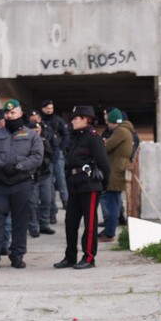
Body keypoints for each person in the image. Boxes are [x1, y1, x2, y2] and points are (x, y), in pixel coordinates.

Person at [0, 99, 44, 270]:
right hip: (0, 184)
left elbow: (37, 156)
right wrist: (1, 166)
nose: (9, 115)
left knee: (20, 221)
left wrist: (19, 167)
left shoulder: (32, 135)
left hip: (21, 183)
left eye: (13, 112)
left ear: (20, 114)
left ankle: (17, 256)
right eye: (7, 113)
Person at [53, 105, 110, 270]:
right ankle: (70, 256)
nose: (73, 121)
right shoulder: (74, 136)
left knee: (90, 223)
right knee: (70, 222)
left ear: (86, 119)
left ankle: (89, 257)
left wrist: (102, 185)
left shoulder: (92, 137)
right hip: (75, 184)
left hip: (89, 184)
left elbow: (104, 164)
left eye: (76, 118)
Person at [99, 108, 133, 242]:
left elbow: (106, 147)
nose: (107, 124)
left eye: (108, 122)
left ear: (113, 122)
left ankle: (109, 234)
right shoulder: (126, 130)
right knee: (114, 201)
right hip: (118, 168)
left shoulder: (120, 131)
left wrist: (103, 143)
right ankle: (108, 231)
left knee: (111, 203)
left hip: (115, 171)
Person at [26, 110, 57, 237]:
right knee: (32, 203)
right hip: (32, 176)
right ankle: (33, 226)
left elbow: (51, 153)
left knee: (47, 199)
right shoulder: (25, 142)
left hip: (45, 174)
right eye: (34, 131)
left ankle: (44, 224)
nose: (37, 133)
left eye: (38, 131)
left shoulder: (44, 139)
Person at [41, 99, 70, 218]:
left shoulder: (58, 120)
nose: (49, 110)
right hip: (47, 154)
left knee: (61, 178)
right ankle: (52, 207)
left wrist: (62, 148)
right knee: (49, 181)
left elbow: (66, 134)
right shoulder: (41, 121)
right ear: (43, 109)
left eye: (51, 108)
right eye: (47, 108)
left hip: (58, 153)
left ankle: (65, 201)